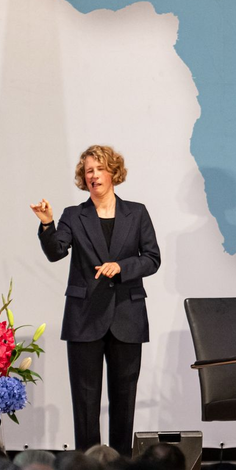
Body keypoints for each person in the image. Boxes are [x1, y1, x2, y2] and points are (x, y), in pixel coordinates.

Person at [32, 145, 161, 453]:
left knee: (123, 400)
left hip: (127, 316)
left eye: (99, 168)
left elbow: (152, 259)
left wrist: (122, 267)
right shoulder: (74, 216)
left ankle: (120, 467)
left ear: (113, 172)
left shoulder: (137, 212)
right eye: (88, 170)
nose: (94, 175)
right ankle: (87, 469)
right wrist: (47, 224)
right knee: (86, 402)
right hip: (84, 317)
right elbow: (55, 252)